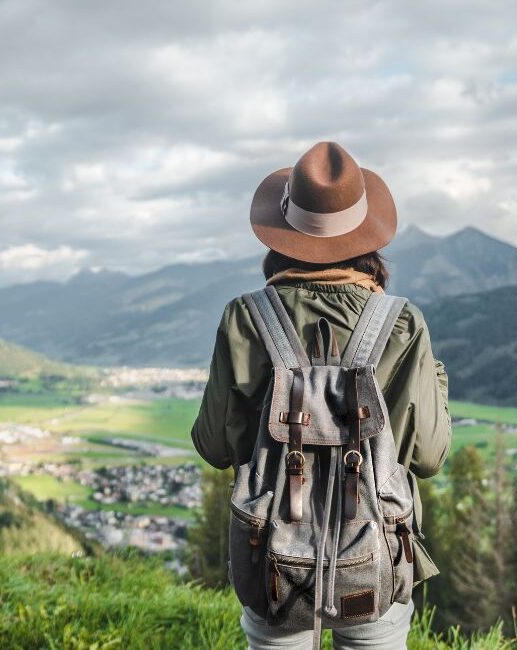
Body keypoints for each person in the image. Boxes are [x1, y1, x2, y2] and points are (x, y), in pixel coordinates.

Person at [191, 141, 452, 650]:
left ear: (282, 234)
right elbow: (431, 455)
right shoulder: (401, 324)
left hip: (271, 556)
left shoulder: (245, 318)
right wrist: (434, 378)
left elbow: (213, 446)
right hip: (375, 553)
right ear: (366, 236)